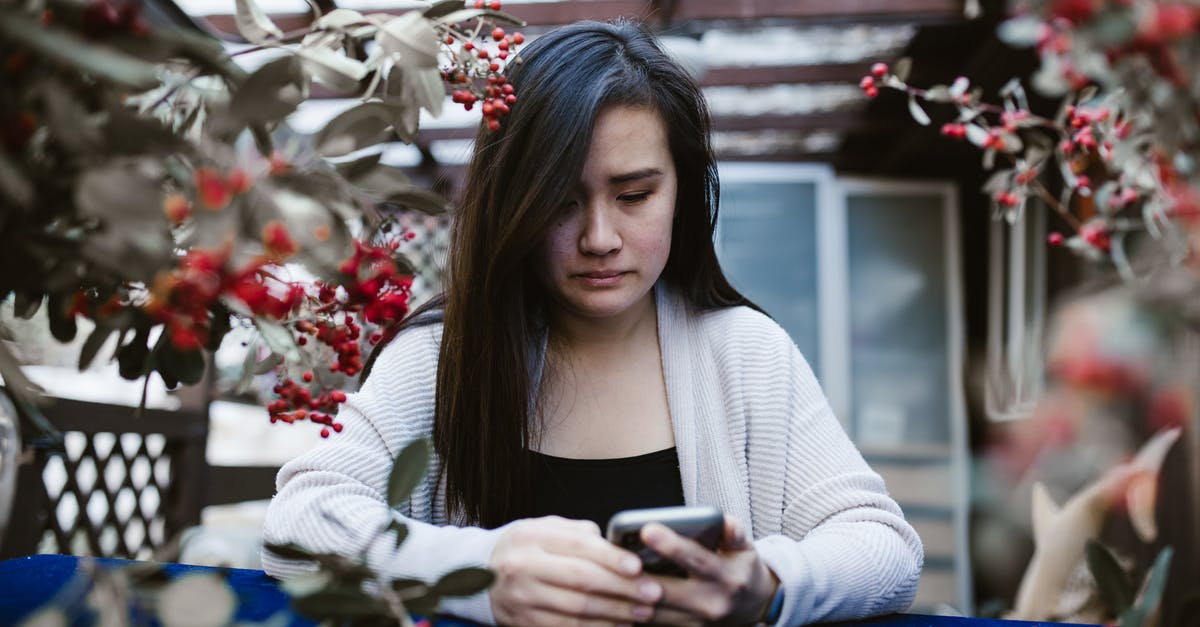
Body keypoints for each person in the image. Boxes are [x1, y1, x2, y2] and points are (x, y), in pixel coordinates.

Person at [262, 20, 923, 626]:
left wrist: (768, 583)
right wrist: (479, 573)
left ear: (684, 193)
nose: (599, 237)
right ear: (512, 202)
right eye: (559, 201)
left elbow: (885, 548)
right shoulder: (442, 357)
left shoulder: (746, 353)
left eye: (634, 195)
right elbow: (299, 523)